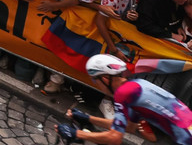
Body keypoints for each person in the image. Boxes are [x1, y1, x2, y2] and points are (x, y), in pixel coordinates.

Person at [60, 54, 192, 145]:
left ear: (105, 78)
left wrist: (76, 134)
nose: (96, 84)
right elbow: (129, 127)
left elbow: (114, 138)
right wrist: (87, 118)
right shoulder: (137, 86)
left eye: (96, 80)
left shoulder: (124, 93)